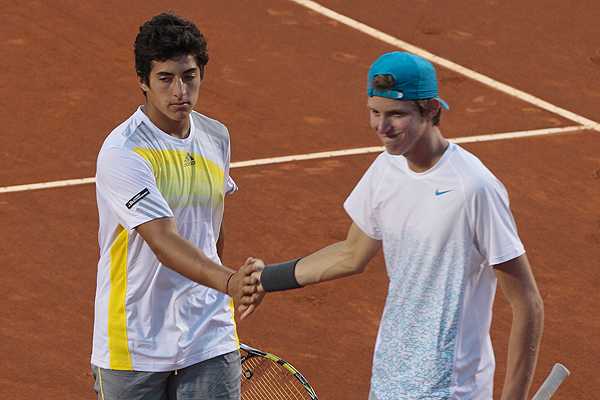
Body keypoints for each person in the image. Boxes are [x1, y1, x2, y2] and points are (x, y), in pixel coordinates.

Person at [240, 51, 544, 400]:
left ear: (431, 111)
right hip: (391, 377)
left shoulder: (474, 188)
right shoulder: (386, 169)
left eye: (396, 115)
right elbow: (352, 253)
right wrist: (267, 278)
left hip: (451, 387)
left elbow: (527, 302)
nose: (382, 127)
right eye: (375, 112)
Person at [91, 12, 252, 400]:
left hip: (208, 334)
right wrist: (228, 282)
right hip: (135, 340)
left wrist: (214, 294)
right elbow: (162, 240)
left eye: (189, 76)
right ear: (143, 82)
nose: (180, 90)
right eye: (165, 78)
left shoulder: (216, 136)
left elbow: (212, 228)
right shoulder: (123, 152)